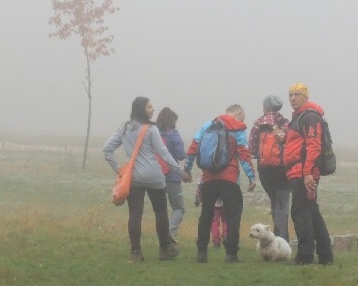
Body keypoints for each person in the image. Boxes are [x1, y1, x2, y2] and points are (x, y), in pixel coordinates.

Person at [103, 97, 183, 262]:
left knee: (135, 214)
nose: (153, 109)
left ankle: (136, 252)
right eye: (149, 107)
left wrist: (120, 170)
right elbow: (163, 153)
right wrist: (179, 171)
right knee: (160, 212)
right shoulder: (151, 129)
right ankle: (164, 249)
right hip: (154, 176)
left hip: (133, 178)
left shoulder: (124, 128)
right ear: (141, 109)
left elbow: (107, 150)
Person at [184, 104, 256, 263]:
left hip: (208, 178)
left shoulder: (207, 126)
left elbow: (193, 149)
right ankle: (231, 254)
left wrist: (187, 169)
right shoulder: (238, 128)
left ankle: (201, 253)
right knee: (232, 216)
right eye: (242, 118)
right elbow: (244, 155)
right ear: (238, 113)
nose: (242, 121)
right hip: (230, 179)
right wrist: (251, 177)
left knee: (206, 215)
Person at [283, 83, 333, 265]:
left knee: (300, 213)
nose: (293, 98)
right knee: (312, 213)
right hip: (298, 172)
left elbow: (313, 146)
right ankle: (325, 255)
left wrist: (307, 174)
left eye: (297, 94)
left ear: (305, 97)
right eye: (290, 95)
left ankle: (305, 256)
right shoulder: (299, 117)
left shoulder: (310, 116)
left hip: (304, 173)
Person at [248, 94, 292, 241]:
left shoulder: (258, 123)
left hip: (264, 170)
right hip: (282, 169)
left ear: (265, 107)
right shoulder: (285, 123)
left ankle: (275, 237)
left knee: (274, 201)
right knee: (283, 203)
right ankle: (282, 238)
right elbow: (291, 143)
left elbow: (252, 147)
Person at [154, 107, 187, 244]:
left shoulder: (154, 134)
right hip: (172, 177)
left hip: (156, 177)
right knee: (179, 208)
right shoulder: (174, 135)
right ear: (172, 121)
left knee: (160, 210)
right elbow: (181, 155)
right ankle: (170, 233)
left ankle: (163, 237)